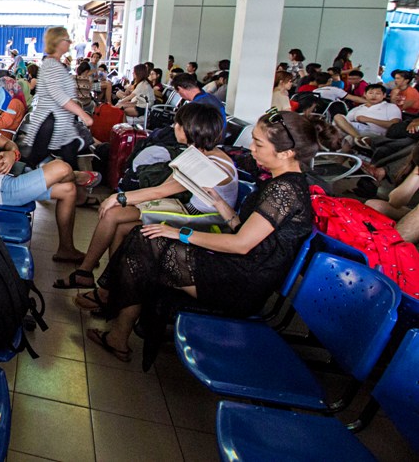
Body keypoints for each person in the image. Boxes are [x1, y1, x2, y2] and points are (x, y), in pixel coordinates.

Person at [78, 110, 332, 362]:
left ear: (286, 153)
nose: (251, 149)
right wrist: (222, 206)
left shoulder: (285, 189)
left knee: (146, 242)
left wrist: (180, 233)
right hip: (241, 268)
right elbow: (245, 230)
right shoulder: (283, 182)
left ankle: (112, 314)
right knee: (144, 239)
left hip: (243, 282)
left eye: (258, 143)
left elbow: (242, 244)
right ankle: (115, 322)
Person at [55, 103, 237, 291]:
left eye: (178, 124)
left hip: (203, 221)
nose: (174, 127)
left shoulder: (211, 163)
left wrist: (120, 198)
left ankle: (102, 285)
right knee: (116, 218)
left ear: (190, 128)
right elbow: (165, 186)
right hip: (187, 211)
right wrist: (127, 200)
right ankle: (101, 281)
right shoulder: (200, 153)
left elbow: (164, 190)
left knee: (115, 216)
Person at [0, 85, 99, 264]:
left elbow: (9, 145)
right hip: (0, 192)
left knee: (68, 190)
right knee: (61, 168)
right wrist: (8, 155)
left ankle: (66, 249)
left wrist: (10, 154)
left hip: (7, 183)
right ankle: (77, 177)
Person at [23, 27, 96, 160]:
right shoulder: (52, 65)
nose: (70, 42)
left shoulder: (54, 64)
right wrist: (83, 114)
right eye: (67, 39)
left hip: (57, 122)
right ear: (58, 42)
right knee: (53, 163)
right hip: (52, 121)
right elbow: (58, 96)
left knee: (56, 163)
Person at [365, 143, 419, 245]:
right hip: (412, 210)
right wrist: (415, 175)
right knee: (374, 205)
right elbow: (395, 202)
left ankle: (389, 247)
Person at [332, 83, 401, 146]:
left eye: (378, 93)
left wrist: (368, 119)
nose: (374, 96)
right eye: (370, 93)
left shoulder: (390, 107)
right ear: (365, 94)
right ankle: (358, 138)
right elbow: (344, 122)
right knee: (337, 118)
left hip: (375, 133)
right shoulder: (359, 108)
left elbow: (394, 125)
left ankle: (341, 155)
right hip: (355, 129)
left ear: (384, 95)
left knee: (349, 137)